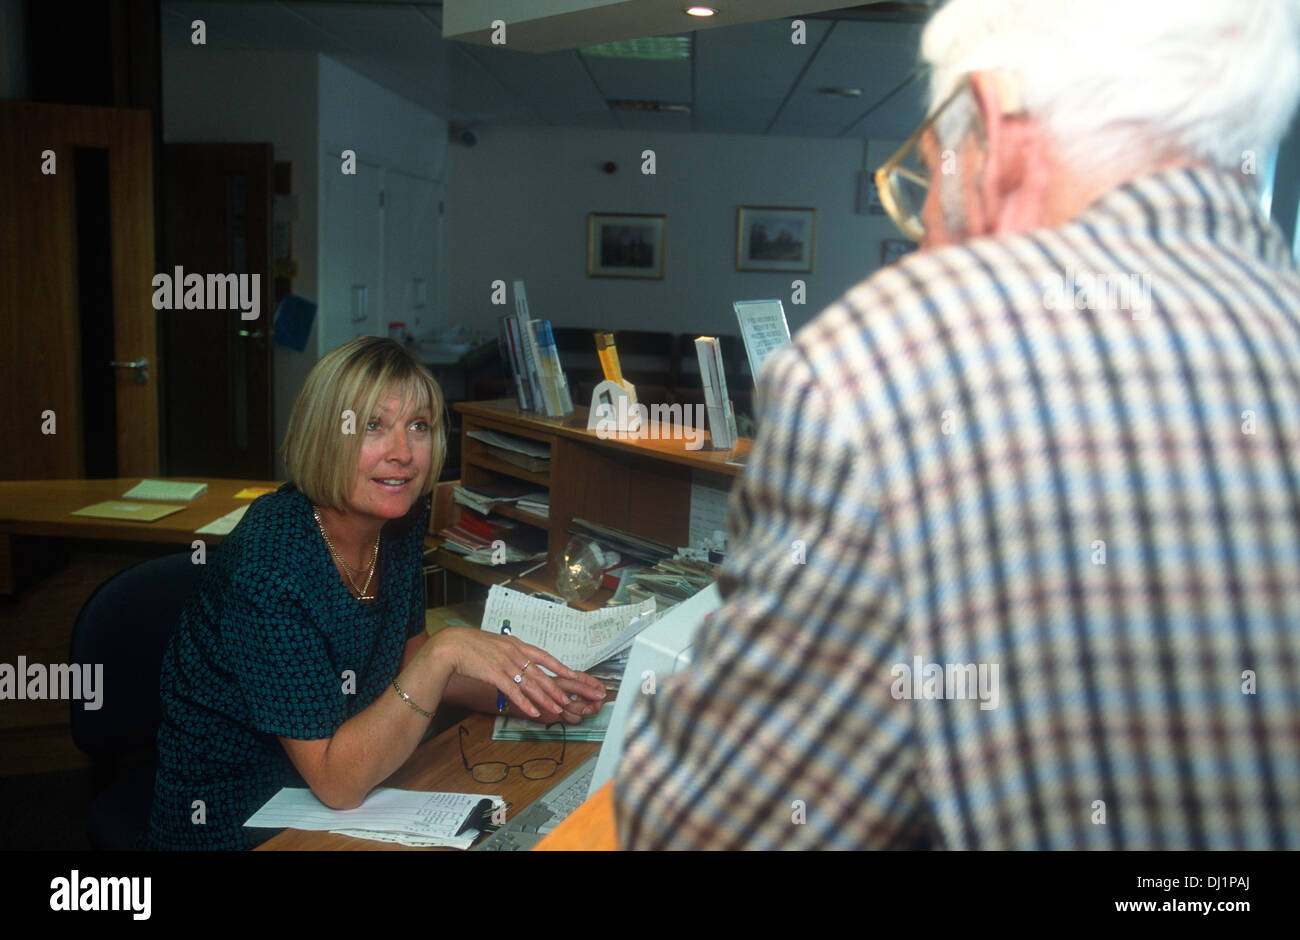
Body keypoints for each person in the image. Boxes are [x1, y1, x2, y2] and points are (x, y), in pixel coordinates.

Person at [614, 0, 1300, 849]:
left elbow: (702, 833)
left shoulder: (902, 360)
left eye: (927, 175)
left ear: (999, 140)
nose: (930, 236)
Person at [145, 337, 606, 850]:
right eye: (372, 426)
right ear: (326, 435)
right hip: (241, 817)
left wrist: (535, 694)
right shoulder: (268, 564)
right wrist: (448, 649)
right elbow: (337, 782)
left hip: (355, 774)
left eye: (418, 426)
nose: (403, 454)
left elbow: (409, 663)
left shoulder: (397, 520)